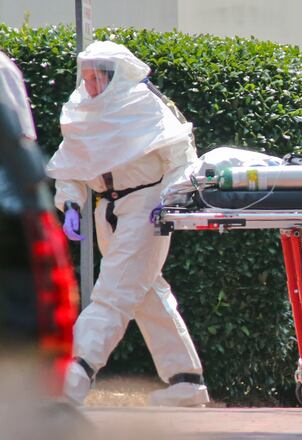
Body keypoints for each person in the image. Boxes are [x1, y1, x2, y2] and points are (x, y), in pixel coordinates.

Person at [45, 41, 208, 407]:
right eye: (85, 77)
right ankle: (187, 382)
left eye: (96, 77)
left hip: (145, 207)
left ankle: (74, 375)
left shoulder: (144, 106)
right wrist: (70, 203)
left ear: (115, 76)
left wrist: (170, 199)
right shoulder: (82, 110)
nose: (89, 84)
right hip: (108, 209)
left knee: (112, 294)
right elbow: (70, 164)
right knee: (146, 293)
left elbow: (181, 159)